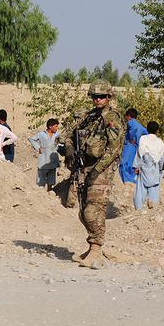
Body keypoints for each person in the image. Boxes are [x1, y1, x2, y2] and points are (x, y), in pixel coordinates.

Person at [60, 80, 124, 269]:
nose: (97, 100)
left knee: (93, 210)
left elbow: (114, 149)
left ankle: (97, 248)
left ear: (109, 97)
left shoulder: (111, 117)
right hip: (83, 167)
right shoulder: (88, 117)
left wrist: (96, 171)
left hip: (101, 169)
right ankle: (92, 247)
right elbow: (69, 136)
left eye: (101, 96)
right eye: (95, 96)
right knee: (82, 211)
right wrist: (70, 150)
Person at [134, 121, 164, 210]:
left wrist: (136, 166)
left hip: (144, 167)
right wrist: (160, 169)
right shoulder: (160, 142)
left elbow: (139, 153)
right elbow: (161, 157)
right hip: (155, 168)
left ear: (147, 129)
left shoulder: (143, 139)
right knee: (154, 188)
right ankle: (154, 208)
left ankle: (139, 208)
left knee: (140, 189)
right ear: (157, 131)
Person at [29, 118, 60, 191]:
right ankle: (40, 195)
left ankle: (49, 193)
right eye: (55, 126)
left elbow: (60, 143)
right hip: (43, 160)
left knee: (51, 180)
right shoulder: (41, 134)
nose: (57, 128)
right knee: (40, 180)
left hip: (53, 161)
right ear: (50, 126)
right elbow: (32, 139)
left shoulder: (57, 135)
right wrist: (38, 148)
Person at [118, 108, 147, 184]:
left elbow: (133, 129)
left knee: (123, 163)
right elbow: (146, 133)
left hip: (129, 145)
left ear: (129, 116)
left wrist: (131, 138)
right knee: (130, 163)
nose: (125, 118)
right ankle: (131, 179)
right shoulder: (139, 125)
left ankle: (126, 179)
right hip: (135, 147)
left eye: (126, 116)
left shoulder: (130, 122)